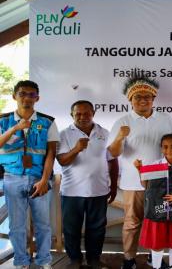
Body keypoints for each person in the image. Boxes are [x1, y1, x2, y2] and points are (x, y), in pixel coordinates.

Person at [107, 74, 172, 269]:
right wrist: (120, 137)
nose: (143, 100)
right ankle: (129, 259)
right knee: (132, 222)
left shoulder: (166, 119)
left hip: (160, 181)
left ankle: (153, 257)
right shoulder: (123, 121)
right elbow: (113, 153)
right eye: (137, 97)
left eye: (147, 96)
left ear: (154, 99)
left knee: (157, 220)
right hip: (133, 182)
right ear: (130, 100)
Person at [0, 80, 59, 269]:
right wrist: (15, 129)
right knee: (16, 226)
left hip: (38, 179)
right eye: (23, 93)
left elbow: (51, 154)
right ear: (15, 96)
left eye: (32, 95)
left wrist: (44, 180)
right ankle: (21, 261)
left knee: (43, 225)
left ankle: (44, 260)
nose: (27, 98)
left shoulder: (47, 121)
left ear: (37, 98)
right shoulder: (3, 121)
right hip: (12, 178)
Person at [57, 100, 119, 269]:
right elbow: (62, 161)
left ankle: (94, 259)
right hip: (71, 191)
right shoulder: (63, 134)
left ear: (93, 113)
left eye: (87, 113)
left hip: (98, 191)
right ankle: (75, 260)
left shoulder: (105, 133)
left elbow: (113, 161)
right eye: (78, 113)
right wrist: (76, 149)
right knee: (71, 229)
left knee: (97, 228)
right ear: (72, 115)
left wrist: (113, 186)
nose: (83, 117)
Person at [135, 134, 172, 269]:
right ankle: (156, 266)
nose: (169, 150)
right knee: (157, 241)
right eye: (165, 147)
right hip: (158, 210)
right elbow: (146, 186)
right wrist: (140, 171)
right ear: (161, 148)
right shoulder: (156, 165)